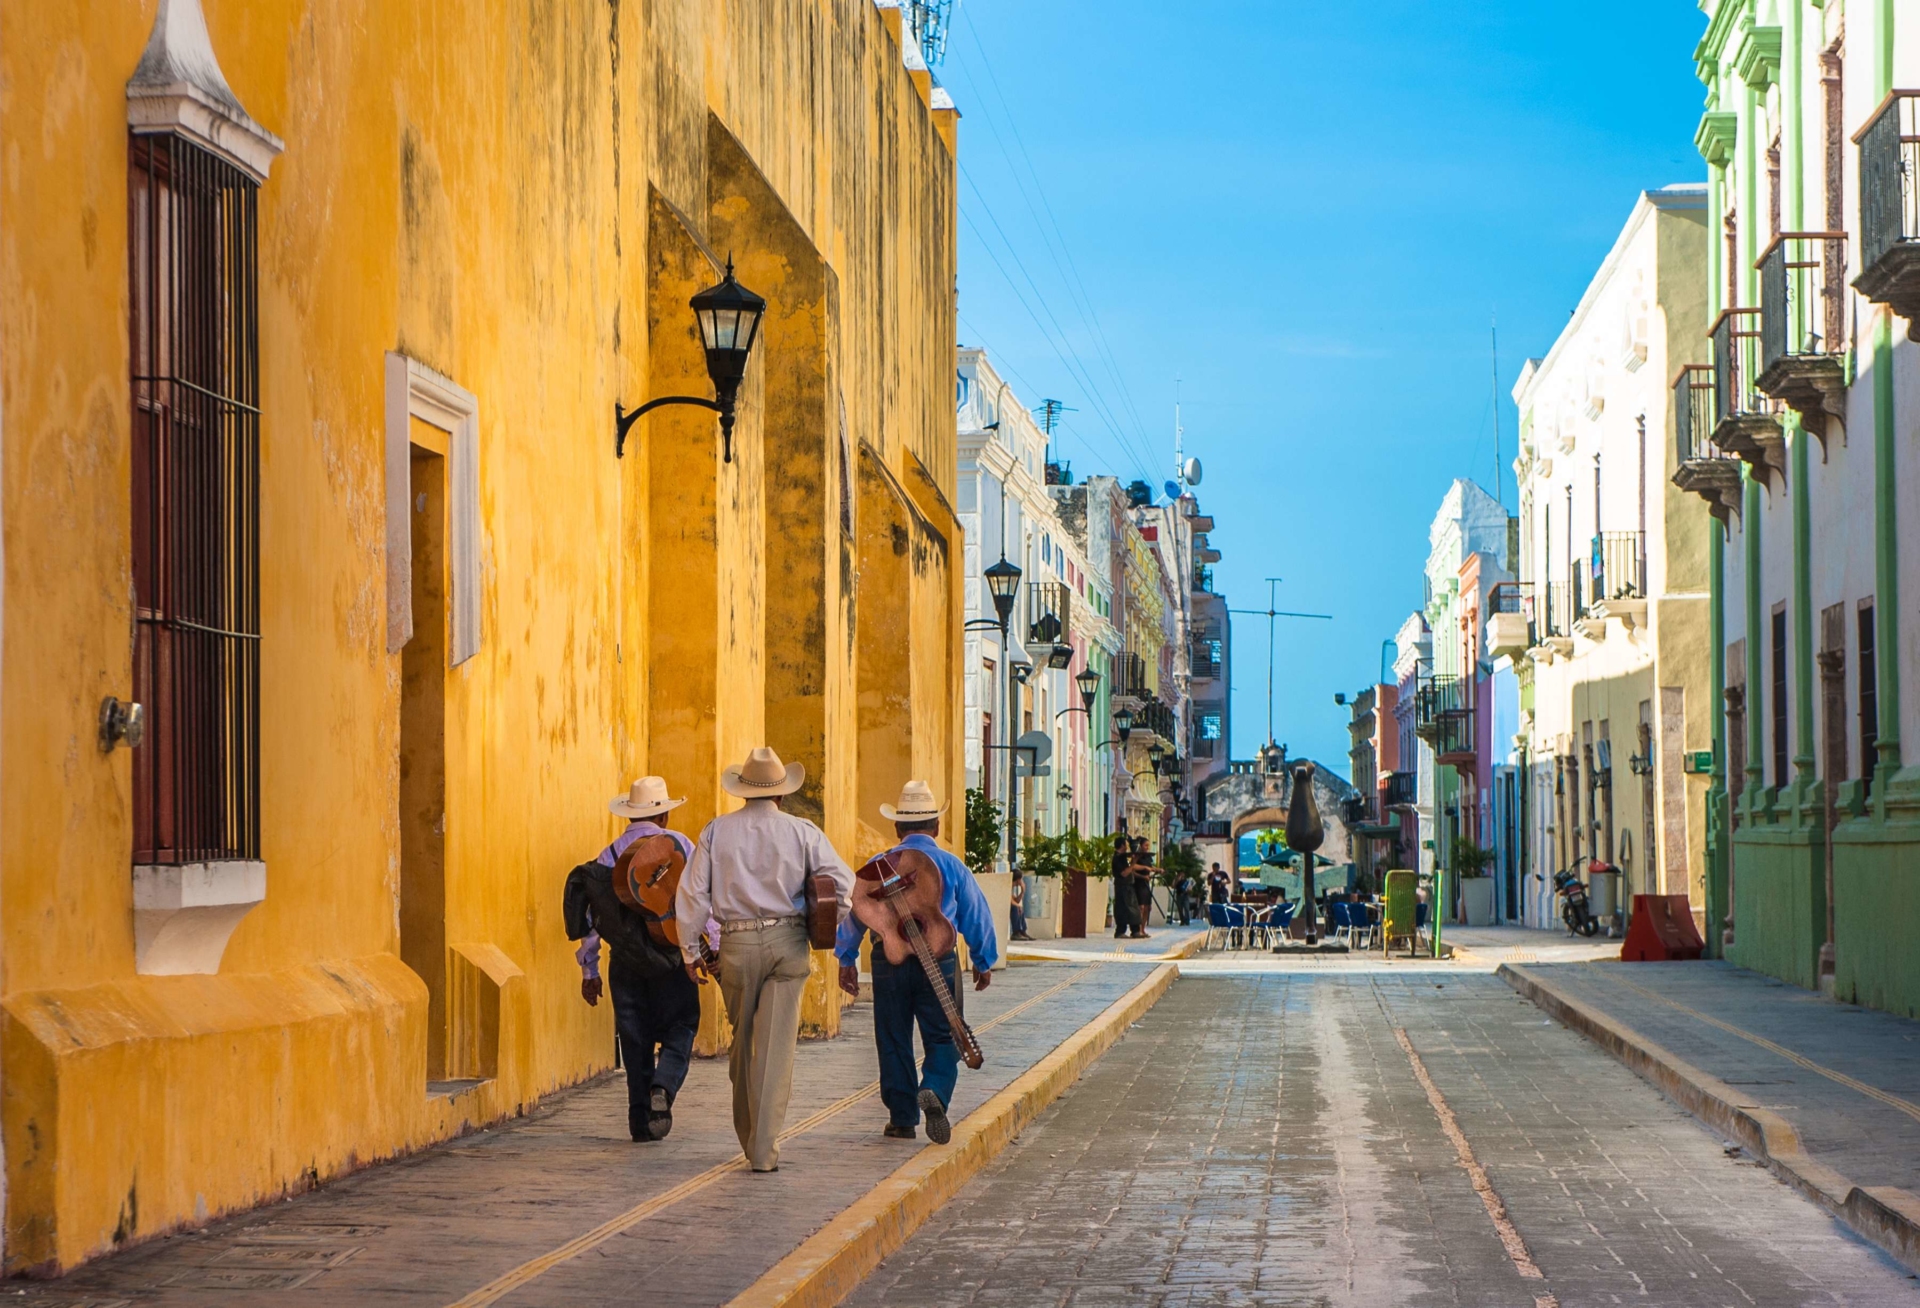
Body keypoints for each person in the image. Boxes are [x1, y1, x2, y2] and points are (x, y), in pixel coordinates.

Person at [676, 747, 852, 1173]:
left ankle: (748, 1135)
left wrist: (688, 950)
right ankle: (763, 1149)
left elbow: (693, 894)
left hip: (735, 945)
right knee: (775, 1049)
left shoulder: (717, 831)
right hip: (787, 942)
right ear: (781, 794)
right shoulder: (803, 831)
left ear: (743, 792)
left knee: (742, 1043)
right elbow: (844, 889)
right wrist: (819, 925)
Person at [836, 782, 997, 1144]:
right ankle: (936, 1090)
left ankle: (902, 1117)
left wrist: (845, 957)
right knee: (943, 1035)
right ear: (936, 828)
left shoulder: (880, 868)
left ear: (897, 829)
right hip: (939, 960)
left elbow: (857, 914)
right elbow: (976, 915)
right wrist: (983, 960)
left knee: (893, 1036)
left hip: (887, 960)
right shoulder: (950, 865)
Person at [564, 776, 703, 1143]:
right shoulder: (682, 846)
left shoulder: (608, 857)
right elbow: (700, 902)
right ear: (664, 818)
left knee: (634, 1040)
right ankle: (665, 1085)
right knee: (683, 1025)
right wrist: (707, 949)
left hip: (625, 963)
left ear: (629, 817)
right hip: (672, 956)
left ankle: (641, 1123)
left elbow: (594, 921)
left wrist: (589, 969)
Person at [1127, 837, 1155, 939]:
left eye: (1148, 845)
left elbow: (1150, 868)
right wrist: (1143, 876)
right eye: (1145, 845)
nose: (1147, 848)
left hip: (1146, 884)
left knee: (1148, 907)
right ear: (1140, 846)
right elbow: (1132, 869)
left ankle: (1143, 929)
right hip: (1138, 884)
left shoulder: (1148, 857)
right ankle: (1138, 929)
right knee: (1141, 907)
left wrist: (1157, 870)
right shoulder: (1137, 857)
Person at [1109, 838, 1136, 938]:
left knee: (1131, 908)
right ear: (1122, 845)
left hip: (1127, 886)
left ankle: (1135, 929)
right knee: (1122, 909)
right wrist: (1133, 863)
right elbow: (1124, 873)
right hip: (1122, 886)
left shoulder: (1123, 857)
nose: (1127, 847)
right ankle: (1120, 930)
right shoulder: (1117, 858)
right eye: (1126, 844)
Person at [1009, 873, 1033, 941]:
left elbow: (1016, 901)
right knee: (1016, 908)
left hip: (1011, 905)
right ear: (1018, 880)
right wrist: (1018, 906)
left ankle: (1022, 931)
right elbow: (1010, 900)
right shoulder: (1007, 886)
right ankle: (1016, 932)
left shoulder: (1012, 888)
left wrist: (1022, 891)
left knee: (1019, 908)